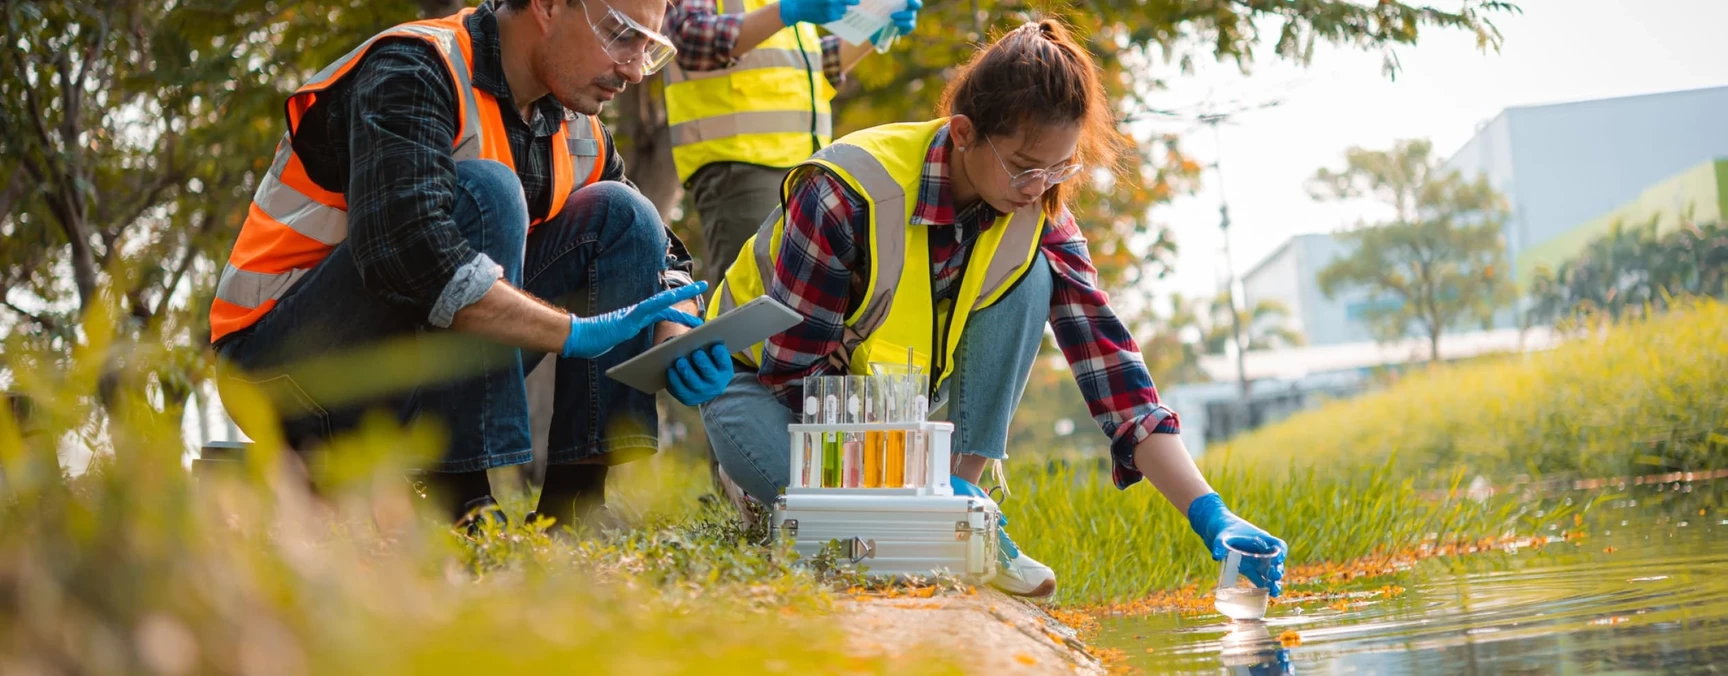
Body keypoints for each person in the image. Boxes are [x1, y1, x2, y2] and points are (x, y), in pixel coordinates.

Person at [698, 20, 1288, 597]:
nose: (1038, 186)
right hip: (760, 390)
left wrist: (1210, 513)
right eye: (1024, 165)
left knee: (1035, 277)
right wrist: (921, 485)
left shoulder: (1040, 217)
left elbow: (1115, 375)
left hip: (887, 414)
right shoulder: (847, 191)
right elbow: (794, 376)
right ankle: (892, 515)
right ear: (962, 132)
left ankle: (960, 509)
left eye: (1060, 167)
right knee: (873, 552)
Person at [208, 0, 734, 530]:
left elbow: (660, 250)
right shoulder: (414, 68)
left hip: (405, 373)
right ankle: (461, 501)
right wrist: (571, 332)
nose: (635, 69)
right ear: (549, 7)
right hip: (285, 375)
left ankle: (577, 513)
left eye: (650, 48)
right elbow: (406, 252)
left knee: (627, 215)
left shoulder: (573, 126)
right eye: (622, 35)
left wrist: (674, 327)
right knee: (490, 193)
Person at [661, 0, 921, 286]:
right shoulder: (784, 6)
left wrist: (875, 29)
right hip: (741, 166)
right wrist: (785, 12)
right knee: (756, 294)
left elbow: (810, 70)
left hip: (804, 169)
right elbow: (688, 37)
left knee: (805, 296)